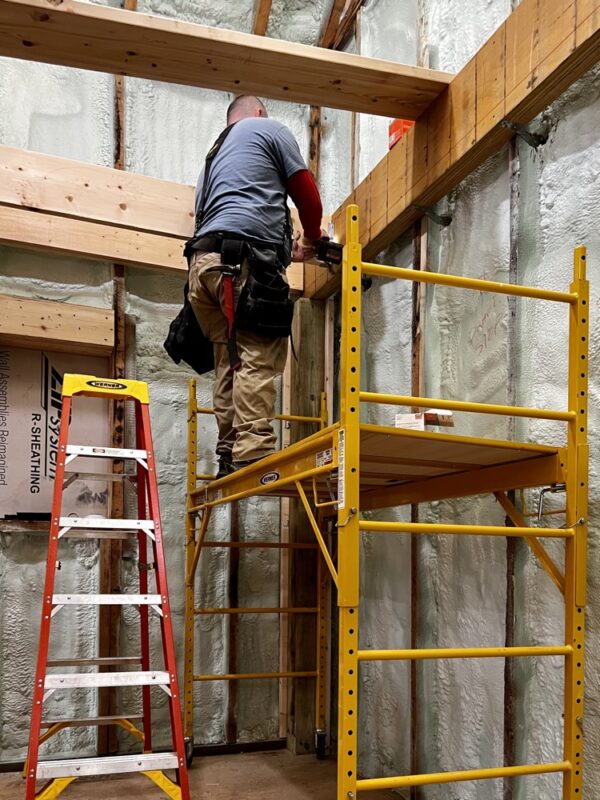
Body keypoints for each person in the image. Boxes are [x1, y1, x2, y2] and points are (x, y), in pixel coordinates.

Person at [187, 95, 324, 478]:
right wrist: (313, 234)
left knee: (229, 361)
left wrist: (286, 252)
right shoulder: (269, 130)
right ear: (259, 112)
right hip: (240, 264)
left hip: (203, 268)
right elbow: (307, 194)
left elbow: (226, 215)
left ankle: (229, 451)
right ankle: (253, 451)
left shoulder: (212, 161)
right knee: (257, 356)